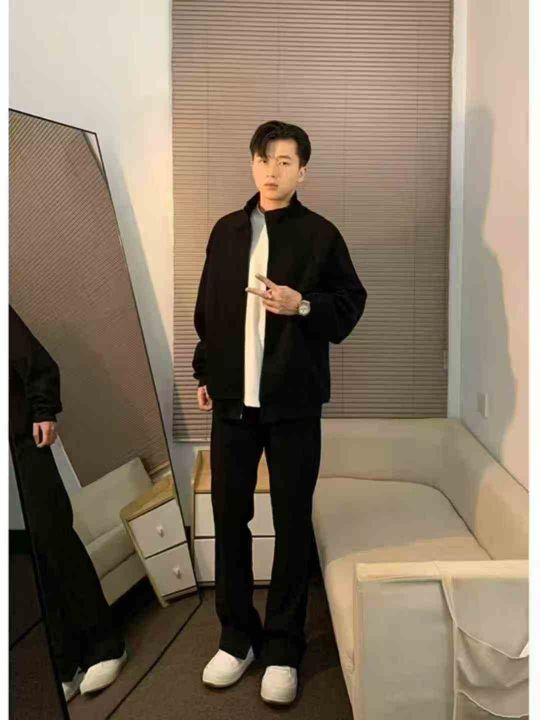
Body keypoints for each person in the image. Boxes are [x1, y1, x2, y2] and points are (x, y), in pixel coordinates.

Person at [192, 120, 368, 704]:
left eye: (286, 161)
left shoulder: (320, 235)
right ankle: (235, 638)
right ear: (252, 164)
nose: (273, 170)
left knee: (292, 524)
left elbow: (350, 303)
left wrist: (304, 305)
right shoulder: (225, 231)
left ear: (302, 171)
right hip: (232, 405)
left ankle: (284, 649)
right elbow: (208, 310)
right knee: (229, 518)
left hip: (293, 406)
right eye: (265, 159)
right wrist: (205, 371)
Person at [8, 305, 127, 703]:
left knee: (55, 543)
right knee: (26, 565)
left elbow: (36, 362)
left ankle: (106, 645)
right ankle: (65, 662)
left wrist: (43, 411)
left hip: (22, 446)